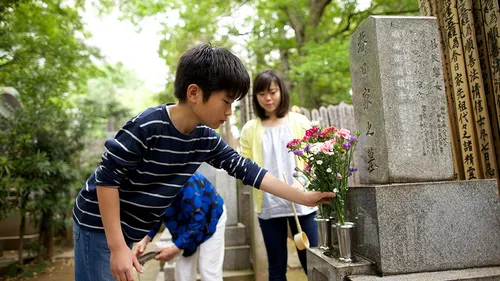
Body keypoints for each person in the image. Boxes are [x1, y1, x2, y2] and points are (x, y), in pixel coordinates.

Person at [72, 44, 333, 281]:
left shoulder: (204, 138)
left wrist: (303, 198)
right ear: (194, 93)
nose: (230, 111)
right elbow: (106, 179)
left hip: (127, 230)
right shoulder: (148, 125)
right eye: (227, 101)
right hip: (97, 224)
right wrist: (117, 247)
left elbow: (248, 170)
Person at [240, 69, 318, 280]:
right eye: (262, 93)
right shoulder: (249, 129)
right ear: (255, 96)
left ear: (281, 91)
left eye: (272, 92)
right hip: (268, 204)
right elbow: (245, 167)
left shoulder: (300, 122)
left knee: (312, 261)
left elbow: (314, 157)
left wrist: (302, 181)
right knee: (276, 266)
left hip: (302, 202)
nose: (268, 98)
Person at [133, 171, 226, 281]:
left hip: (210, 217)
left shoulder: (184, 179)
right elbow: (156, 213)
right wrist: (144, 239)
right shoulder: (151, 184)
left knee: (208, 271)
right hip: (184, 225)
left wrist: (175, 248)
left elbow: (198, 218)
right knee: (183, 274)